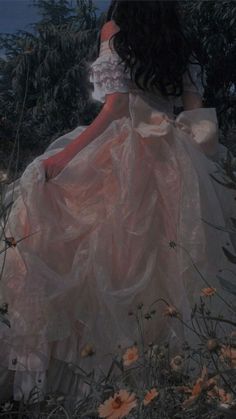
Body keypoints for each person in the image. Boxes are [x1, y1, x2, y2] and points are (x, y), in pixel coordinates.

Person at [0, 0, 235, 403]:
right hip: (178, 153)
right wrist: (210, 169)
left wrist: (64, 155)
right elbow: (196, 113)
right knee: (175, 259)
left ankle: (93, 381)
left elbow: (116, 108)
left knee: (108, 254)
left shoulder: (114, 34)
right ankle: (174, 378)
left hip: (124, 148)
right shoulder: (184, 44)